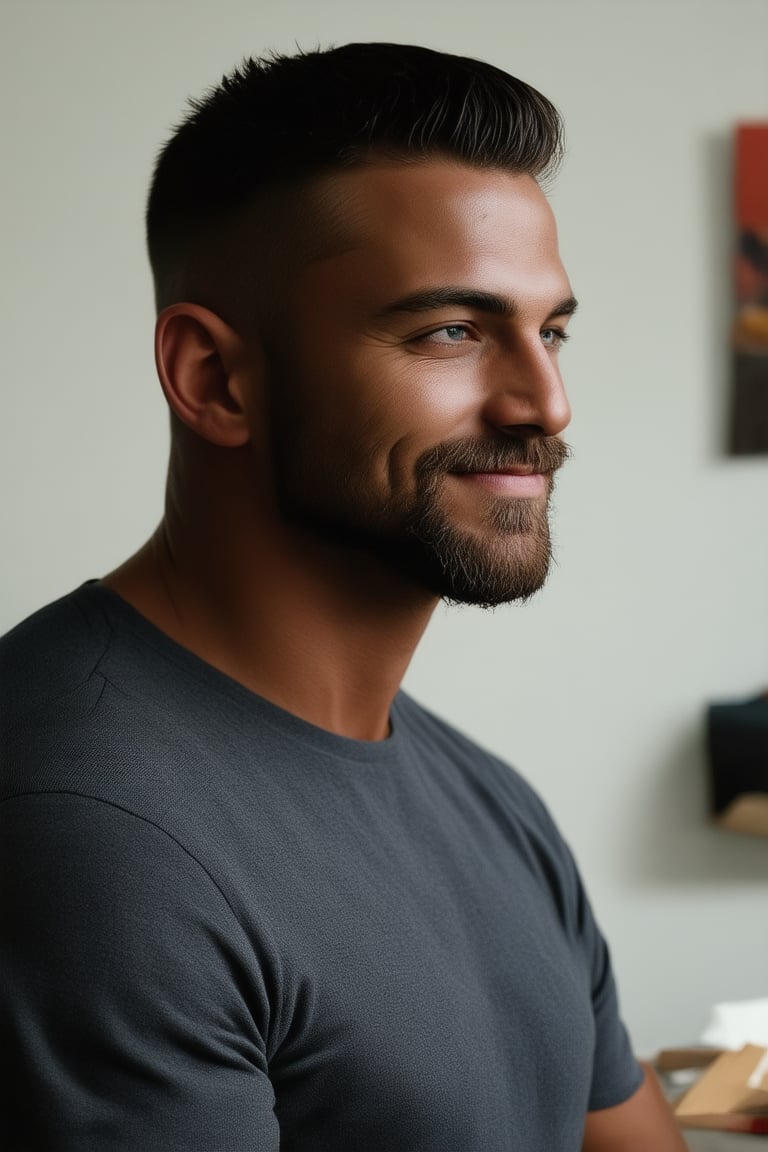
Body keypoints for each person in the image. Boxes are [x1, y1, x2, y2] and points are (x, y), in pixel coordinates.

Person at [0, 42, 685, 1152]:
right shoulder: (88, 836)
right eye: (452, 331)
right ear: (216, 379)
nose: (546, 402)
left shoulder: (488, 801)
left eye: (549, 330)